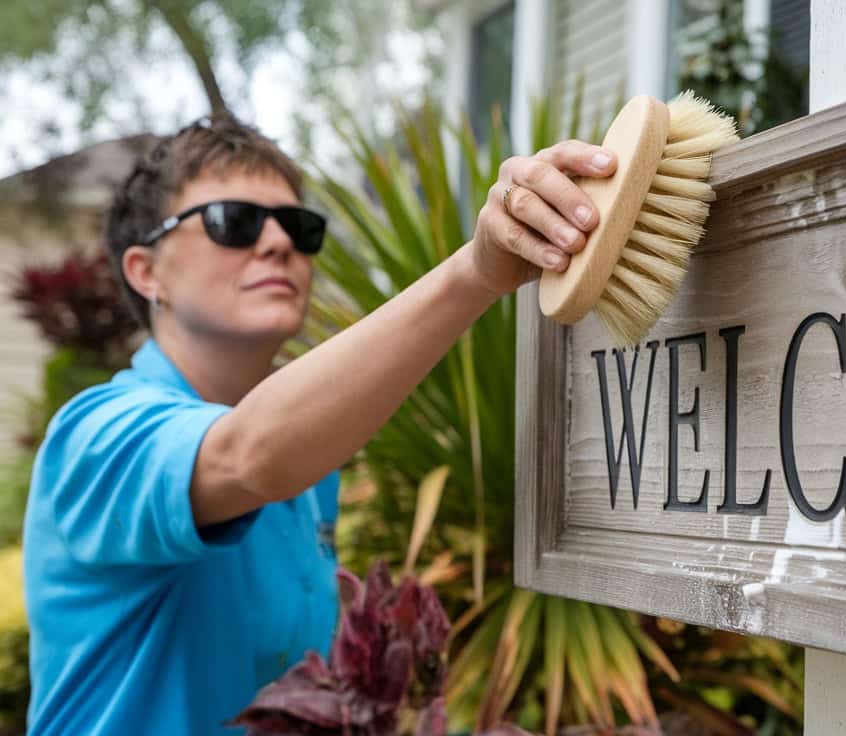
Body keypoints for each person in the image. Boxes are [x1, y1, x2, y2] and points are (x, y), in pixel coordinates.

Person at [21, 114, 616, 735]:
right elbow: (247, 456)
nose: (278, 242)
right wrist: (478, 271)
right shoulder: (94, 435)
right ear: (147, 272)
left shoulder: (311, 463)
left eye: (299, 227)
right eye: (235, 221)